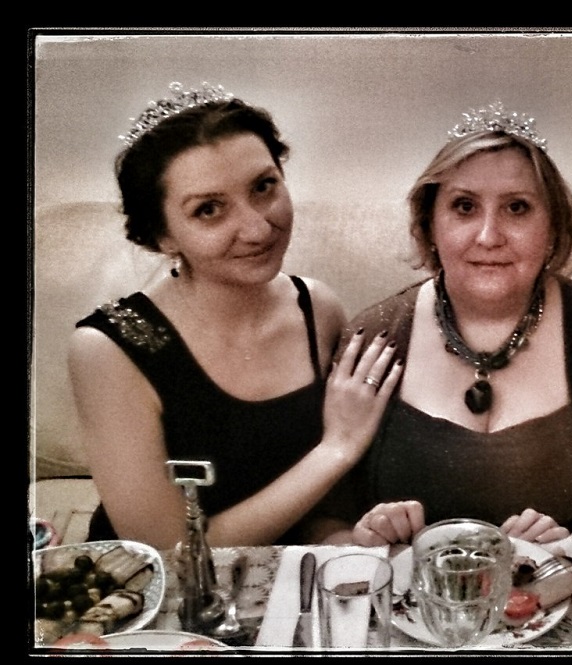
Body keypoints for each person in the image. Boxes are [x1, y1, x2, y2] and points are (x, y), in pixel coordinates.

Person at [322, 102, 572, 546]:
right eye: (464, 207)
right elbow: (322, 525)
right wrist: (364, 540)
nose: (489, 236)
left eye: (517, 207)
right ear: (429, 225)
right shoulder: (374, 337)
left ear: (553, 228)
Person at [68, 82, 402, 550]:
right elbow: (169, 552)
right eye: (209, 210)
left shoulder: (317, 308)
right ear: (161, 236)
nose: (257, 228)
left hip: (293, 569)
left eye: (263, 187)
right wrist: (337, 450)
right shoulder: (110, 348)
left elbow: (323, 502)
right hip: (168, 587)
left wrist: (340, 534)